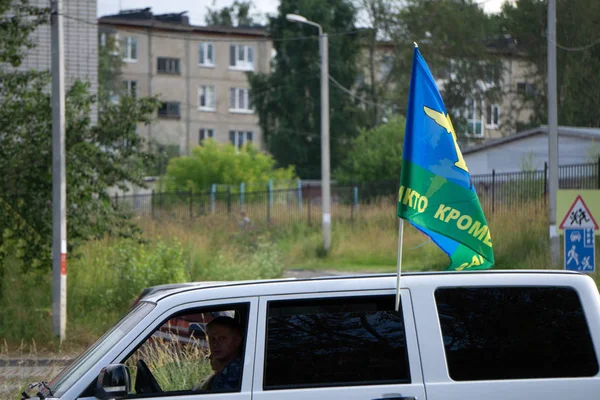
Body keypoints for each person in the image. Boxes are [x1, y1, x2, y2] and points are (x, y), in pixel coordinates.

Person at [193, 316, 243, 392]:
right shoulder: (224, 370)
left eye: (222, 338)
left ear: (236, 341)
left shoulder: (235, 372)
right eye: (212, 339)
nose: (215, 344)